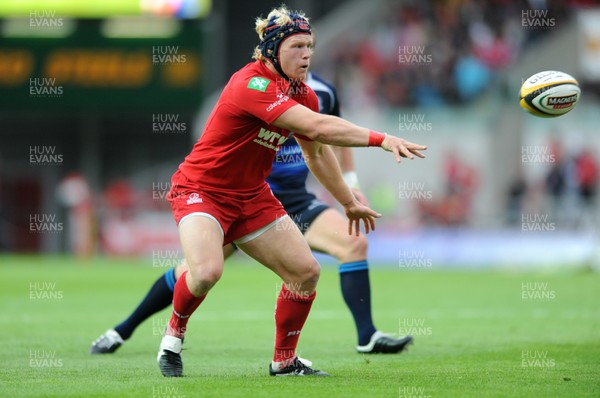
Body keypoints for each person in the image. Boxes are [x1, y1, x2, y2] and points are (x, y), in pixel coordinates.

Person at [103, 6, 425, 378]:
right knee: (206, 271)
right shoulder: (251, 84)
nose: (307, 54)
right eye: (297, 46)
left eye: (311, 46)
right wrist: (382, 139)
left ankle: (284, 362)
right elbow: (319, 129)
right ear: (272, 49)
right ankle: (172, 338)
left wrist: (349, 201)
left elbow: (316, 152)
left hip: (251, 197)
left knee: (305, 273)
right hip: (202, 190)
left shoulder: (305, 95)